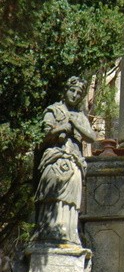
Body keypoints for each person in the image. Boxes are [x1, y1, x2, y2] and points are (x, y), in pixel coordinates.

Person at [34, 76, 96, 245]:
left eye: (78, 93)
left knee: (71, 201)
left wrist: (76, 125)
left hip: (74, 160)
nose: (75, 95)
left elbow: (92, 137)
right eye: (72, 90)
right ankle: (46, 233)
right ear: (65, 90)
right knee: (51, 193)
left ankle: (69, 234)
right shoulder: (52, 111)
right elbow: (42, 136)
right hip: (54, 158)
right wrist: (61, 128)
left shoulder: (80, 116)